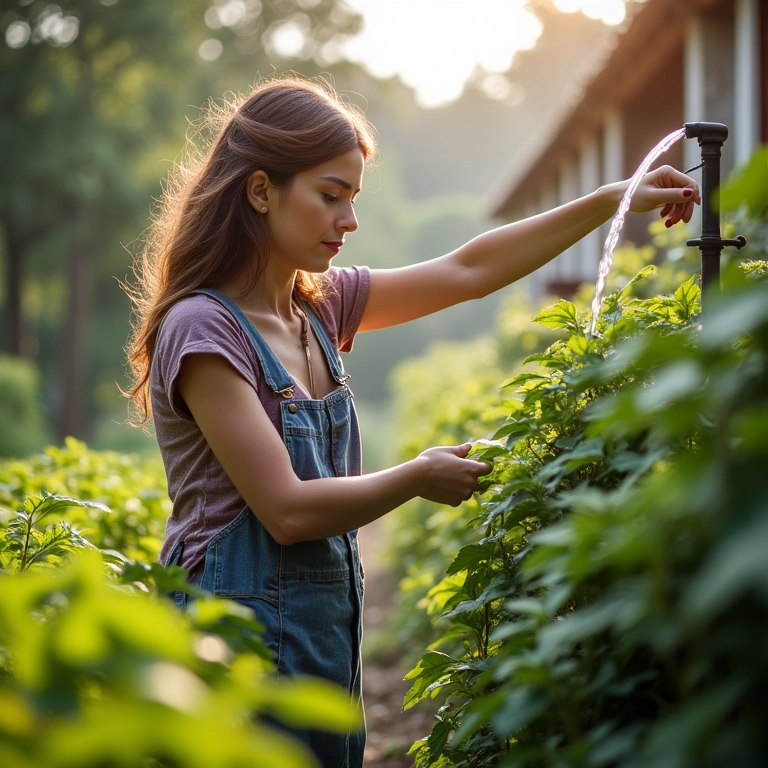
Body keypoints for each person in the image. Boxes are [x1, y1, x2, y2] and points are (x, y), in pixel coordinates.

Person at [125, 75, 700, 767]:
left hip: (322, 633)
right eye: (330, 195)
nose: (349, 220)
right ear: (260, 192)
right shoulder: (202, 330)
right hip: (232, 643)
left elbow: (468, 269)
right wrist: (418, 475)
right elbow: (286, 511)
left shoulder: (320, 308)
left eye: (353, 198)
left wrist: (614, 199)